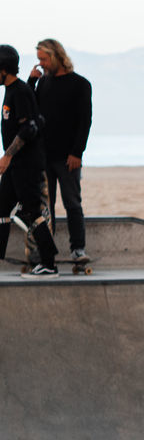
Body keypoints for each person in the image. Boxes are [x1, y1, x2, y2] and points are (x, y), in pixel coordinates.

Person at [28, 38, 91, 261]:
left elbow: (85, 121)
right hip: (44, 156)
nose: (41, 64)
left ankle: (78, 249)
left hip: (68, 158)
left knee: (72, 203)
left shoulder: (80, 84)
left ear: (56, 57)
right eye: (39, 60)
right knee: (45, 208)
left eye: (44, 59)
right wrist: (31, 82)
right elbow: (30, 111)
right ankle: (45, 251)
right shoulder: (43, 83)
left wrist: (77, 153)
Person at [0, 44, 58, 277]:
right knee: (2, 208)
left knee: (32, 212)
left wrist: (7, 155)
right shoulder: (13, 89)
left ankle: (49, 263)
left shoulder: (20, 92)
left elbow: (29, 128)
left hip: (26, 164)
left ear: (4, 69)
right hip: (16, 164)